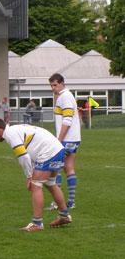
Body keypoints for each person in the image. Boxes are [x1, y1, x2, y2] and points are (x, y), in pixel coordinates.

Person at [0, 118, 72, 231]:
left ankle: (37, 223)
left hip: (48, 152)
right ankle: (64, 216)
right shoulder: (15, 130)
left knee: (35, 185)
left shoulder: (10, 134)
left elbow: (24, 156)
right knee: (50, 184)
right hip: (57, 150)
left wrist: (29, 177)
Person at [45, 73, 81, 211]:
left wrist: (59, 140)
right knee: (68, 168)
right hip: (75, 138)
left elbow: (67, 120)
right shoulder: (67, 96)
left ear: (62, 83)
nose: (53, 88)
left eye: (55, 85)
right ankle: (71, 202)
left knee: (56, 168)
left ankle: (56, 203)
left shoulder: (64, 97)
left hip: (67, 139)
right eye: (51, 86)